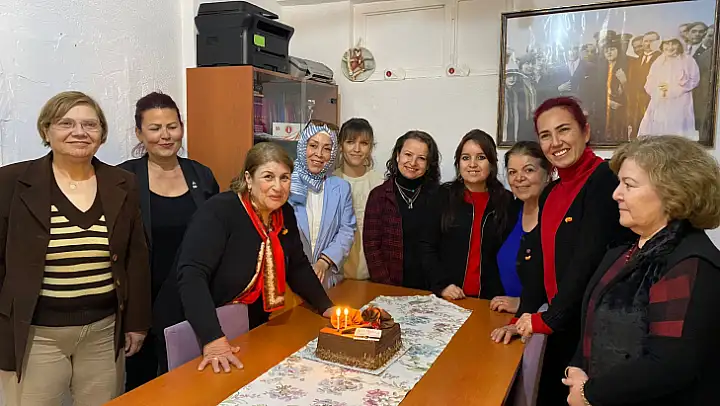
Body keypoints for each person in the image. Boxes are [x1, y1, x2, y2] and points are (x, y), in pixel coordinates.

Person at [0, 91, 150, 405]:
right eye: (66, 123)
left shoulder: (122, 182)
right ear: (46, 131)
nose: (79, 132)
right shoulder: (11, 181)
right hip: (35, 334)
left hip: (103, 332)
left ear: (102, 133)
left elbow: (135, 257)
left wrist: (137, 322)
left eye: (90, 125)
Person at [564, 136, 720, 406]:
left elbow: (669, 365)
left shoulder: (689, 263)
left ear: (671, 192)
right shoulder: (622, 251)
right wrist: (576, 368)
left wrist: (589, 394)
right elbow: (592, 319)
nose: (616, 194)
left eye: (629, 185)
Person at [153, 142, 334, 374]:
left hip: (241, 323)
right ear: (248, 178)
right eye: (268, 177)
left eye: (285, 178)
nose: (278, 187)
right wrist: (212, 338)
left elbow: (297, 266)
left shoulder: (284, 213)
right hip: (192, 324)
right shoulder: (219, 211)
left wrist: (326, 306)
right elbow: (192, 276)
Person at [509, 97, 633, 406]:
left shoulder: (605, 180)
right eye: (546, 135)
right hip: (562, 323)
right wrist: (524, 316)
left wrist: (548, 319)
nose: (555, 142)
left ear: (585, 131)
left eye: (563, 130)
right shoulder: (551, 191)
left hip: (595, 330)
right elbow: (541, 262)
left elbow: (587, 259)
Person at [118, 92, 219, 390]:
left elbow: (217, 238)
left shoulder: (201, 175)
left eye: (172, 127)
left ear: (181, 128)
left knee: (194, 383)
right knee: (143, 386)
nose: (165, 135)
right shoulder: (124, 178)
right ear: (139, 133)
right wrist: (131, 319)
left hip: (192, 301)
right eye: (155, 128)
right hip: (143, 305)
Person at [422, 130, 514, 300]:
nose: (472, 164)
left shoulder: (505, 201)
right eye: (466, 158)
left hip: (490, 299)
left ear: (492, 163)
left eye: (481, 157)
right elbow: (426, 246)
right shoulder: (442, 196)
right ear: (458, 163)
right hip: (448, 296)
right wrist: (442, 285)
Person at [364, 131, 441, 289]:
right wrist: (387, 288)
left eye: (421, 158)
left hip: (430, 288)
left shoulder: (439, 196)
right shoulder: (379, 196)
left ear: (428, 165)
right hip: (390, 286)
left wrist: (440, 284)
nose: (413, 163)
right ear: (398, 155)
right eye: (408, 155)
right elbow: (372, 247)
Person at [488, 141, 551, 319]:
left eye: (528, 170)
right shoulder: (509, 212)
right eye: (512, 172)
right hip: (503, 316)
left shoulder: (558, 218)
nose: (519, 178)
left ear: (548, 174)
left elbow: (567, 282)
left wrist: (524, 303)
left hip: (539, 319)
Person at [289, 120, 356, 289]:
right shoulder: (286, 182)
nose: (319, 154)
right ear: (303, 146)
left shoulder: (341, 188)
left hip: (327, 279)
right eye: (313, 145)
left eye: (327, 148)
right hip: (289, 279)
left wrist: (323, 262)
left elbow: (347, 230)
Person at [333, 118, 384, 281]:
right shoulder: (331, 182)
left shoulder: (380, 183)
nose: (357, 149)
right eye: (350, 142)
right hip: (337, 273)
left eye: (363, 143)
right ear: (341, 146)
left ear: (371, 147)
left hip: (372, 273)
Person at [638, 38, 700, 140]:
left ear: (679, 45)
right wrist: (661, 90)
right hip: (660, 101)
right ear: (662, 45)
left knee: (677, 132)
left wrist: (676, 90)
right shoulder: (658, 61)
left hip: (680, 102)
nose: (670, 47)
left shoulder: (688, 61)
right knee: (658, 131)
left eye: (674, 43)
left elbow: (694, 80)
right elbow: (650, 81)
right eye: (667, 43)